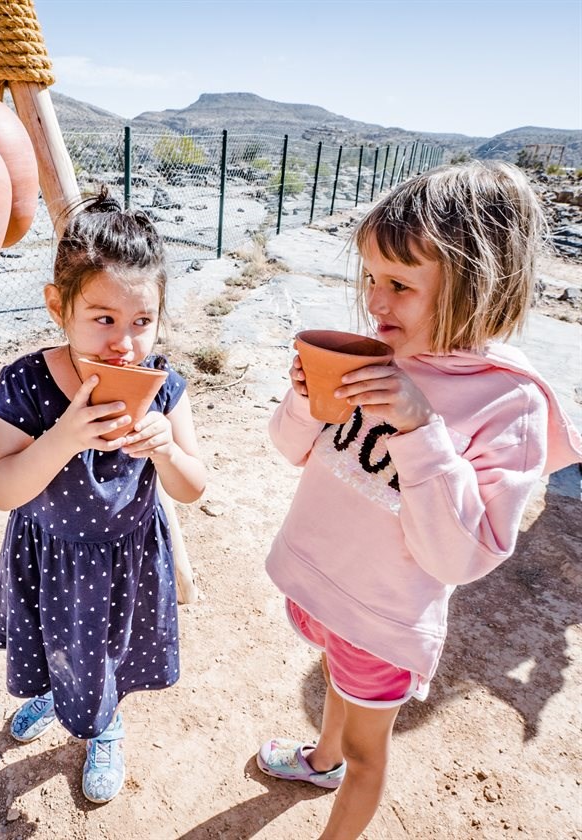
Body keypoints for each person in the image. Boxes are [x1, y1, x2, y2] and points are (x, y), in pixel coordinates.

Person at [256, 161, 581, 838]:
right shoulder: (377, 353)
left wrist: (420, 430)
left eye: (401, 285)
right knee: (332, 680)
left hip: (383, 619)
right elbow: (292, 448)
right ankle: (320, 759)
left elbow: (461, 556)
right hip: (327, 588)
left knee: (369, 755)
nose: (376, 302)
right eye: (372, 278)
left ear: (477, 286)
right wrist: (304, 396)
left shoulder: (506, 405)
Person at [0, 187, 207, 804]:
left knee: (104, 648)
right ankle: (60, 695)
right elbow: (2, 489)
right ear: (60, 305)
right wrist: (61, 438)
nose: (124, 343)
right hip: (49, 552)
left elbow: (192, 487)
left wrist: (164, 449)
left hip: (123, 559)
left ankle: (104, 725)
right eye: (103, 319)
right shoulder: (27, 383)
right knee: (59, 640)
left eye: (141, 322)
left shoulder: (164, 388)